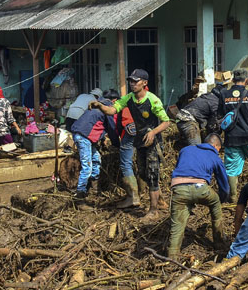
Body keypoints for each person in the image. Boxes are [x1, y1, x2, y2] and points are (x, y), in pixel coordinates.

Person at [91, 69, 171, 222]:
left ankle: (153, 210)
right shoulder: (128, 99)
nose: (132, 84)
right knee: (142, 173)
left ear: (145, 83)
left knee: (153, 174)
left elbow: (166, 121)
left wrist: (153, 132)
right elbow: (113, 109)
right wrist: (100, 106)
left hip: (152, 142)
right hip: (139, 141)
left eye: (136, 81)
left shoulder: (153, 100)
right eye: (131, 81)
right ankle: (160, 200)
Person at [167, 133, 229, 257]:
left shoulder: (185, 150)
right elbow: (224, 184)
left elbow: (181, 167)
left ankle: (172, 256)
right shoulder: (215, 156)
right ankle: (219, 242)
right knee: (215, 203)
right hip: (200, 188)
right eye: (219, 149)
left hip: (178, 189)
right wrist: (222, 199)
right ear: (216, 146)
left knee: (177, 224)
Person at [218, 69, 248, 200]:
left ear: (233, 80)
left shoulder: (223, 94)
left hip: (232, 138)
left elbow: (219, 118)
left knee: (231, 169)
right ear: (246, 80)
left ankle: (233, 197)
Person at [71, 93, 120, 200]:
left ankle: (94, 189)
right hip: (84, 137)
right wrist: (117, 145)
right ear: (115, 101)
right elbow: (112, 129)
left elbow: (97, 125)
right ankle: (80, 194)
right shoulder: (107, 109)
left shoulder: (96, 106)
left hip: (82, 135)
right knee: (87, 166)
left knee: (96, 158)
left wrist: (102, 139)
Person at [174, 82, 224, 146]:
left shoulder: (207, 96)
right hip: (188, 120)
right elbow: (212, 125)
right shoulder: (215, 103)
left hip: (181, 118)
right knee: (196, 147)